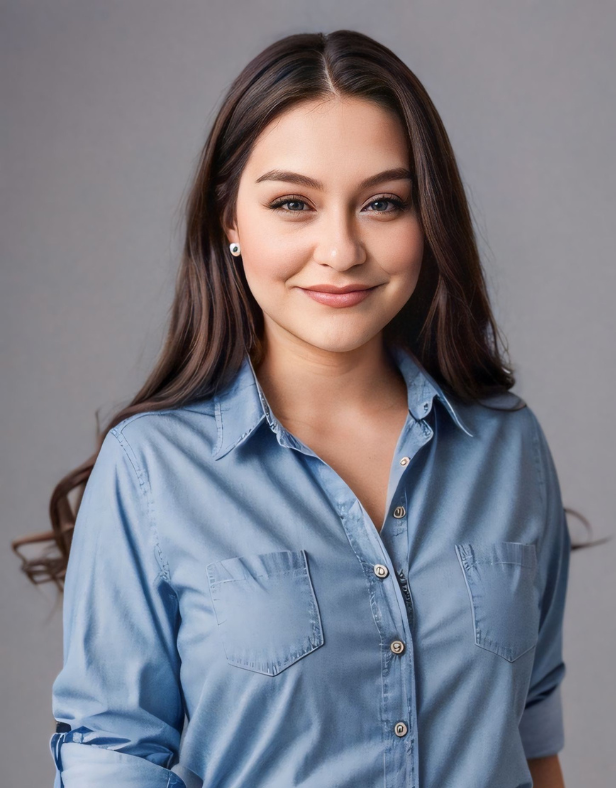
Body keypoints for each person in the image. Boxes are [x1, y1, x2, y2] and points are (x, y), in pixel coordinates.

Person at [14, 30, 574, 788]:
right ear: (230, 224)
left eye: (383, 202)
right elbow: (111, 756)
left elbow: (533, 729)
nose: (341, 249)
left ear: (428, 217)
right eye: (292, 203)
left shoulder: (507, 445)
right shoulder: (151, 469)